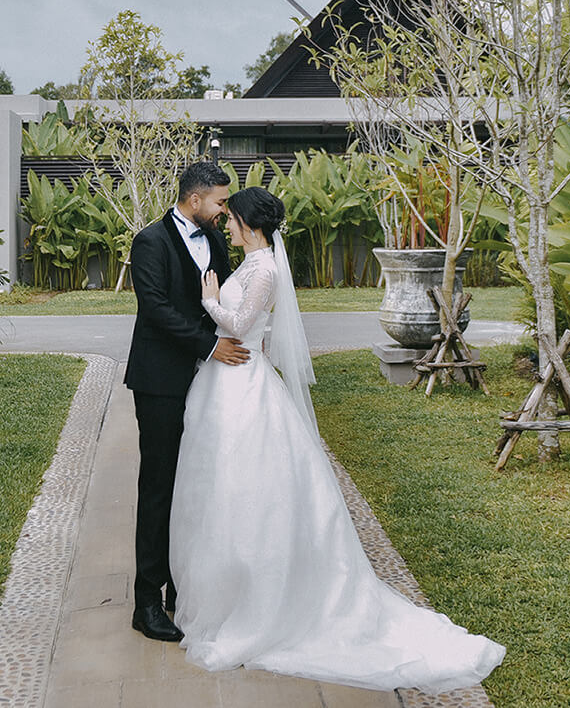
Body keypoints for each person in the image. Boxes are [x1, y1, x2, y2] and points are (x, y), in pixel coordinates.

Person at [169, 186, 506, 692]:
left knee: (250, 488)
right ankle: (227, 592)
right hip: (227, 382)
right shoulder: (250, 262)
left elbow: (239, 324)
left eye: (232, 218)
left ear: (251, 224)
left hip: (245, 380)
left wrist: (210, 302)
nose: (227, 224)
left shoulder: (265, 270)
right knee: (222, 488)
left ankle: (262, 603)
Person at [123, 160, 252, 642]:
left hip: (209, 381)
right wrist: (208, 346)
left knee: (193, 484)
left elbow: (214, 300)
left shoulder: (215, 239)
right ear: (194, 200)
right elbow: (154, 310)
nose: (225, 211)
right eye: (220, 202)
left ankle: (183, 587)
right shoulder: (150, 241)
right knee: (158, 486)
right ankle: (146, 603)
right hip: (160, 380)